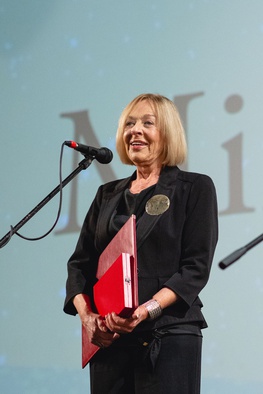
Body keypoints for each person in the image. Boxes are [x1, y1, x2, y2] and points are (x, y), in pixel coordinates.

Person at [64, 93, 218, 394]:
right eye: (129, 124)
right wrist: (89, 319)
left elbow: (195, 269)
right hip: (110, 341)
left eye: (148, 123)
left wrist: (146, 310)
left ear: (168, 132)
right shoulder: (106, 194)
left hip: (168, 335)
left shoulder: (195, 188)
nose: (135, 130)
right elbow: (80, 265)